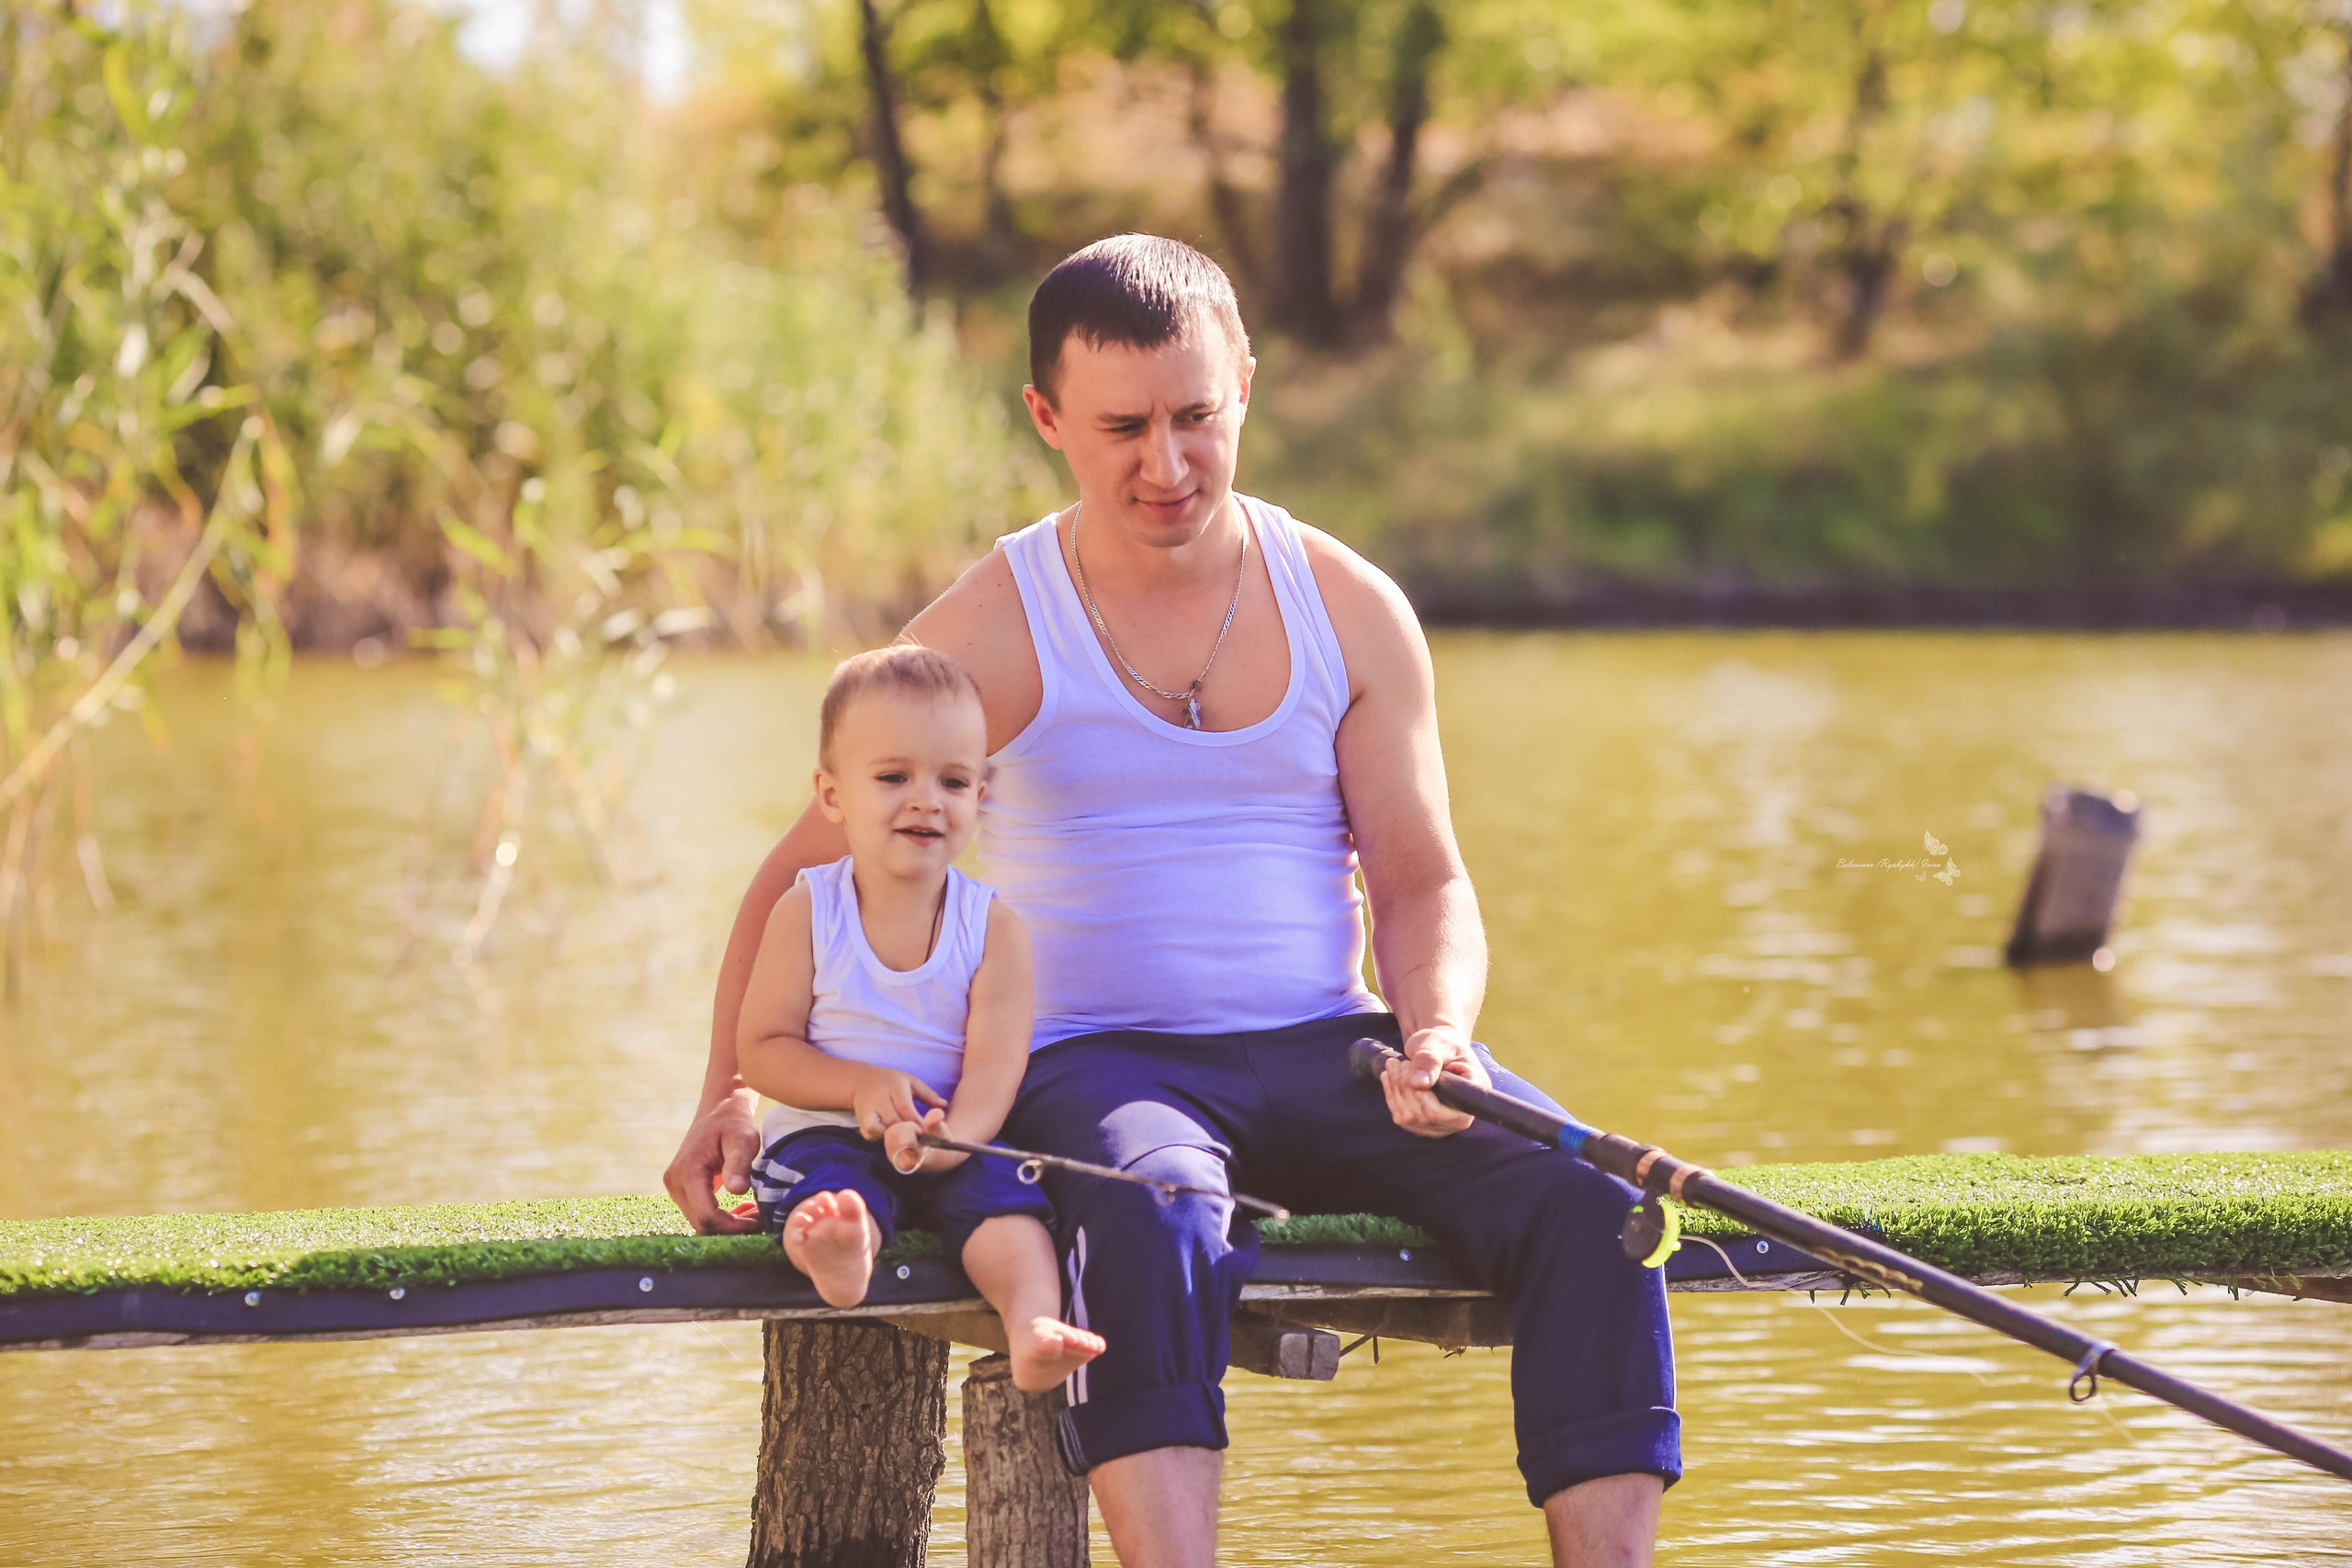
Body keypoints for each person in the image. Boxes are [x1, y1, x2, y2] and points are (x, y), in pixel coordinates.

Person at [666, 234, 1677, 1567]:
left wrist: (1437, 1030)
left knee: (1596, 1204)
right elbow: (803, 874)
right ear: (1047, 419)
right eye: (1123, 428)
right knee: (1156, 1207)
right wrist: (726, 1096)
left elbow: (1422, 877)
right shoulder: (992, 627)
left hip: (1334, 1048)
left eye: (1196, 416)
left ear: (1244, 384)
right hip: (1096, 1064)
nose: (1168, 463)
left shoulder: (1351, 607)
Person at [732, 643, 1104, 1394]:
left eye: (952, 781)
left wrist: (953, 1138)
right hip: (825, 1134)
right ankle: (843, 1252)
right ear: (832, 794)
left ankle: (1033, 1323)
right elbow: (764, 1049)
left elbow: (996, 1065)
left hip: (948, 1137)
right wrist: (859, 1086)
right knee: (831, 1193)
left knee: (1012, 1211)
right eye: (893, 777)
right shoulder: (808, 910)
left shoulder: (994, 927)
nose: (927, 800)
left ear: (981, 794)